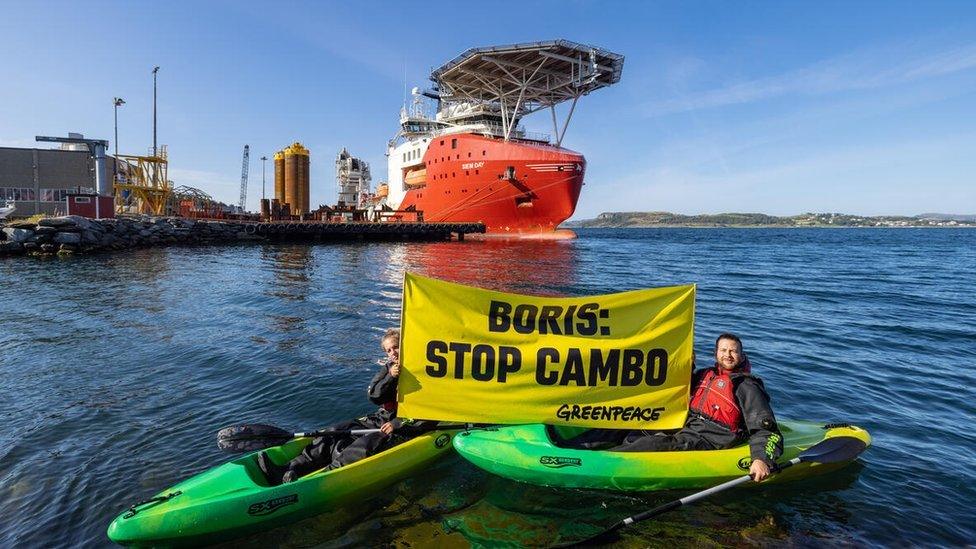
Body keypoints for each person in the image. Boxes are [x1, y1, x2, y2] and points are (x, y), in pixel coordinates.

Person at [565, 333, 783, 482]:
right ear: (716, 354)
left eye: (733, 351)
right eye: (723, 350)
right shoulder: (706, 374)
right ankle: (570, 448)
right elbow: (680, 387)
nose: (728, 355)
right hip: (684, 421)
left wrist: (761, 459)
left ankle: (595, 465)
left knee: (655, 443)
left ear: (741, 355)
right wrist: (687, 363)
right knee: (626, 423)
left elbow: (766, 429)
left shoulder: (746, 385)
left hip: (711, 437)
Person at [258, 328, 432, 485]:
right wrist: (391, 377)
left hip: (405, 424)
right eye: (388, 350)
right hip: (381, 418)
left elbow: (429, 407)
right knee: (335, 431)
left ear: (404, 344)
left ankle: (324, 477)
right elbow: (375, 396)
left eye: (396, 347)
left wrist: (398, 423)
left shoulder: (424, 371)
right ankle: (290, 468)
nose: (393, 353)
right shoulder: (388, 369)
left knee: (366, 444)